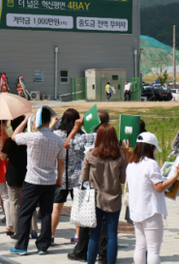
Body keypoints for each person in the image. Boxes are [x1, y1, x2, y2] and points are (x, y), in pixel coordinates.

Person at [9, 106, 64, 255]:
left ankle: (21, 246)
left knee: (25, 213)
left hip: (32, 180)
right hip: (50, 181)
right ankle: (42, 246)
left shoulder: (31, 136)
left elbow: (14, 137)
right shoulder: (58, 140)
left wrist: (25, 121)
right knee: (46, 213)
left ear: (36, 120)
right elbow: (61, 162)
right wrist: (59, 179)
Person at [127, 132, 179, 264]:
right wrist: (175, 176)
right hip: (150, 210)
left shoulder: (131, 164)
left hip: (136, 210)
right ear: (150, 148)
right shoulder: (151, 163)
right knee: (153, 249)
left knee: (140, 245)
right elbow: (159, 187)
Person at [80, 123, 129, 264]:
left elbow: (83, 178)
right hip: (114, 199)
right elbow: (123, 179)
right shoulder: (119, 157)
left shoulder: (90, 154)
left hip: (94, 199)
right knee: (112, 235)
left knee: (94, 236)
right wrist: (125, 154)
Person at [69, 110, 110, 263]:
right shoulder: (112, 138)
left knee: (87, 219)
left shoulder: (87, 137)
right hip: (107, 185)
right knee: (105, 222)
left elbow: (68, 144)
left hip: (88, 184)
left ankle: (80, 251)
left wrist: (76, 128)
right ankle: (104, 255)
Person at [52, 108, 86, 245]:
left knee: (56, 207)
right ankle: (78, 235)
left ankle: (51, 234)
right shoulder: (81, 135)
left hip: (59, 176)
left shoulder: (56, 134)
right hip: (77, 176)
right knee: (77, 206)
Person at [1, 115, 38, 240]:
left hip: (13, 174)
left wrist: (2, 145)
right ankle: (34, 229)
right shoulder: (30, 139)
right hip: (28, 173)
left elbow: (3, 157)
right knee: (30, 202)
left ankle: (16, 230)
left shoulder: (9, 141)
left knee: (14, 202)